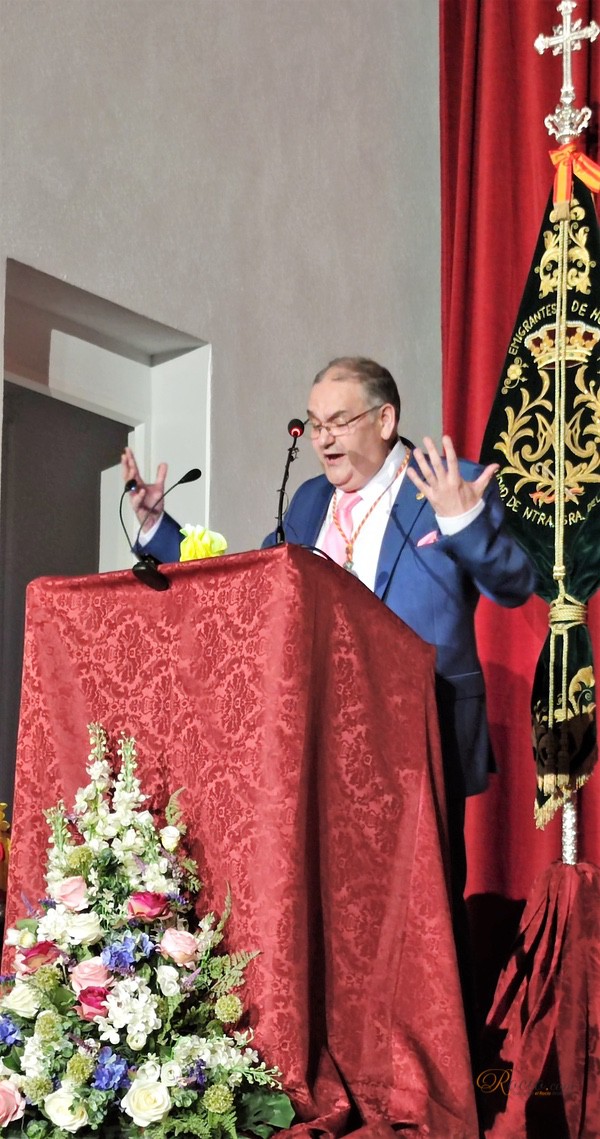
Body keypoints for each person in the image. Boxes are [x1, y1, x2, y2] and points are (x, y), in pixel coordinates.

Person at [122, 356, 536, 1045]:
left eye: (339, 421)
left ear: (386, 418)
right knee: (336, 909)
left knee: (424, 908)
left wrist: (463, 521)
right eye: (314, 424)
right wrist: (161, 532)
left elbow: (516, 584)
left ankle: (439, 1062)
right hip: (322, 731)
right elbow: (256, 581)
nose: (322, 438)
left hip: (420, 731)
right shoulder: (311, 500)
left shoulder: (447, 483)